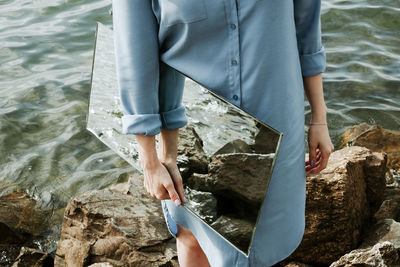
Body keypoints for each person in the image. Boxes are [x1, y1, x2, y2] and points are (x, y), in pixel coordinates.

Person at [112, 0, 334, 266]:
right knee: (192, 234)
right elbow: (134, 50)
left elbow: (306, 29)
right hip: (189, 128)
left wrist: (319, 118)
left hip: (277, 119)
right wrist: (148, 158)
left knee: (263, 247)